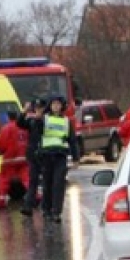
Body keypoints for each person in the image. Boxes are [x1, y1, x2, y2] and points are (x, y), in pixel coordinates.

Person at [38, 95, 81, 223]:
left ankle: (56, 212)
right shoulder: (44, 119)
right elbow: (36, 134)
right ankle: (46, 209)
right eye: (54, 104)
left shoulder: (66, 121)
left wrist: (76, 158)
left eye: (58, 104)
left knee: (58, 184)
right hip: (46, 156)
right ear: (50, 106)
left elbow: (72, 141)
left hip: (60, 156)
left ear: (62, 106)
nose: (56, 106)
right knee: (47, 184)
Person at [17, 98, 47, 217]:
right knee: (33, 180)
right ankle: (28, 206)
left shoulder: (47, 120)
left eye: (40, 108)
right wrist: (24, 111)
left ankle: (46, 205)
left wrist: (40, 119)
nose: (38, 110)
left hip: (45, 153)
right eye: (36, 108)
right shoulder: (31, 120)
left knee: (46, 181)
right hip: (33, 153)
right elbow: (20, 123)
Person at [0, 110, 29, 210]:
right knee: (27, 178)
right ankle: (35, 195)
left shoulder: (5, 128)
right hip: (24, 158)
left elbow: (2, 145)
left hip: (10, 159)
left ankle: (1, 200)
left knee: (4, 179)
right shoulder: (24, 126)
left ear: (8, 117)